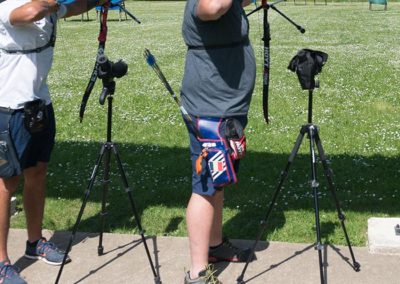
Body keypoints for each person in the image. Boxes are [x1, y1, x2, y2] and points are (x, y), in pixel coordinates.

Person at [0, 0, 106, 283]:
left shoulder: (47, 7)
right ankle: (1, 261)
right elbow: (32, 12)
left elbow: (69, 9)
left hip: (39, 105)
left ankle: (35, 243)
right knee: (5, 183)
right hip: (8, 108)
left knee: (37, 173)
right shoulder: (8, 5)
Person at [181, 0, 256, 283]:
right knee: (205, 185)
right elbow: (211, 8)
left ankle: (214, 247)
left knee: (218, 178)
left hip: (225, 106)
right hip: (211, 107)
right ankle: (198, 272)